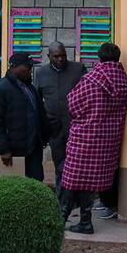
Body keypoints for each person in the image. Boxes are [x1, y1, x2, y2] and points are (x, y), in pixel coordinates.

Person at [59, 43, 127, 234]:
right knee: (88, 181)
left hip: (85, 136)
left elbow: (73, 105)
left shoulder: (91, 79)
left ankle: (63, 218)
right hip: (108, 140)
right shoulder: (125, 81)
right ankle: (84, 221)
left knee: (72, 177)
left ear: (99, 58)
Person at [0, 53, 52, 181]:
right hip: (15, 151)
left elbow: (39, 113)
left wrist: (45, 136)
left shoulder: (30, 88)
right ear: (14, 67)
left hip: (34, 147)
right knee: (17, 188)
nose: (30, 70)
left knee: (36, 183)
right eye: (27, 66)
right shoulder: (0, 89)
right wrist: (3, 149)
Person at [33, 42, 87, 193]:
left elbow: (87, 95)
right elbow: (37, 100)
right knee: (60, 165)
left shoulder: (78, 69)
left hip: (76, 127)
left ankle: (76, 197)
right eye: (56, 56)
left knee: (77, 165)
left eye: (63, 55)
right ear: (49, 56)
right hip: (54, 128)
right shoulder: (41, 73)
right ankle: (61, 197)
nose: (60, 59)